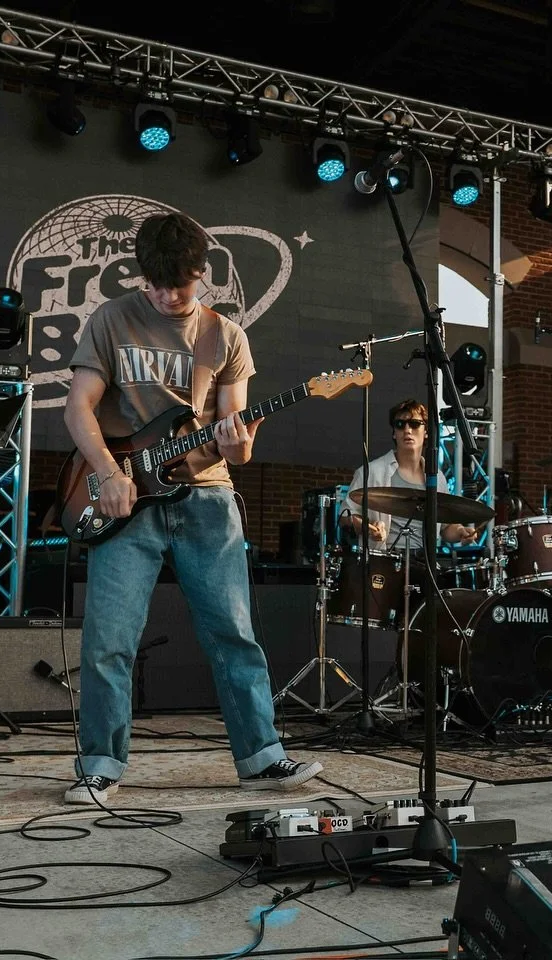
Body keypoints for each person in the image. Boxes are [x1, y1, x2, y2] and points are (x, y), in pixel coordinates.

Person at [62, 212, 322, 804]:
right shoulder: (110, 319)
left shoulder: (226, 336)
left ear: (201, 273)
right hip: (125, 496)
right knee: (110, 637)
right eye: (154, 284)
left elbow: (238, 433)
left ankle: (261, 756)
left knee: (233, 630)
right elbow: (79, 407)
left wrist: (239, 439)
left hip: (206, 495)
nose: (164, 295)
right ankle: (100, 762)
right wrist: (106, 473)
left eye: (177, 284)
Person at [339, 398, 480, 552]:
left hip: (423, 562)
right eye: (400, 425)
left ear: (426, 432)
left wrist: (460, 532)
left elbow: (445, 529)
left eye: (414, 424)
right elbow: (346, 516)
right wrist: (368, 527)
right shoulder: (371, 471)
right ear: (394, 433)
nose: (407, 430)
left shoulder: (436, 478)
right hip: (383, 561)